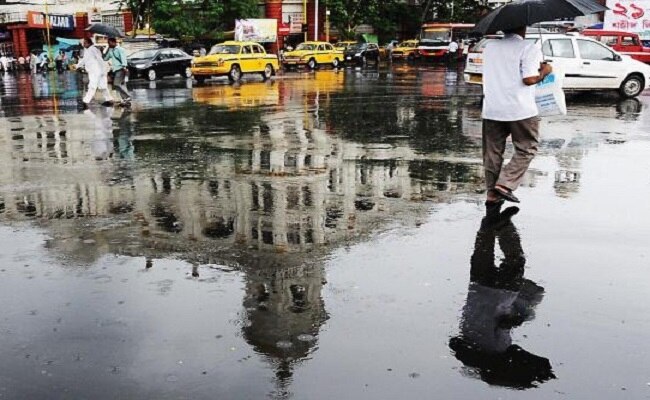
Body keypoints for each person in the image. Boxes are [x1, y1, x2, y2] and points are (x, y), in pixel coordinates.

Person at [449, 204, 555, 388]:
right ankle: (489, 222)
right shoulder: (467, 340)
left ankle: (505, 226)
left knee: (515, 259)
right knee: (483, 250)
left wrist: (520, 318)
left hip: (503, 293)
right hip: (478, 286)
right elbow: (454, 342)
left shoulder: (499, 348)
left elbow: (504, 323)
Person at [481, 26, 553, 204]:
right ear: (523, 27)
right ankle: (505, 184)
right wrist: (545, 71)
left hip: (492, 108)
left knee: (492, 152)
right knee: (527, 147)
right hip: (520, 109)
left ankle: (492, 193)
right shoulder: (529, 48)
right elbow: (528, 79)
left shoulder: (489, 47)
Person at [76, 37, 114, 109]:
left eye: (85, 43)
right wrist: (77, 66)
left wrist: (104, 70)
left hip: (96, 71)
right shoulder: (88, 50)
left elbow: (100, 59)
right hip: (97, 71)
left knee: (92, 86)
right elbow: (84, 60)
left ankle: (85, 101)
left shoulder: (93, 49)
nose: (83, 45)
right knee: (103, 87)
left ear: (89, 43)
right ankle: (110, 100)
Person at [103, 37, 131, 106]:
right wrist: (106, 50)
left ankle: (127, 96)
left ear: (114, 42)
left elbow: (123, 58)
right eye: (108, 43)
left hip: (121, 69)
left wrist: (124, 66)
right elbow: (105, 58)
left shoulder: (120, 49)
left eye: (109, 43)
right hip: (115, 70)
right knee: (121, 85)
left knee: (116, 84)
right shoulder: (110, 50)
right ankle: (125, 99)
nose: (108, 44)